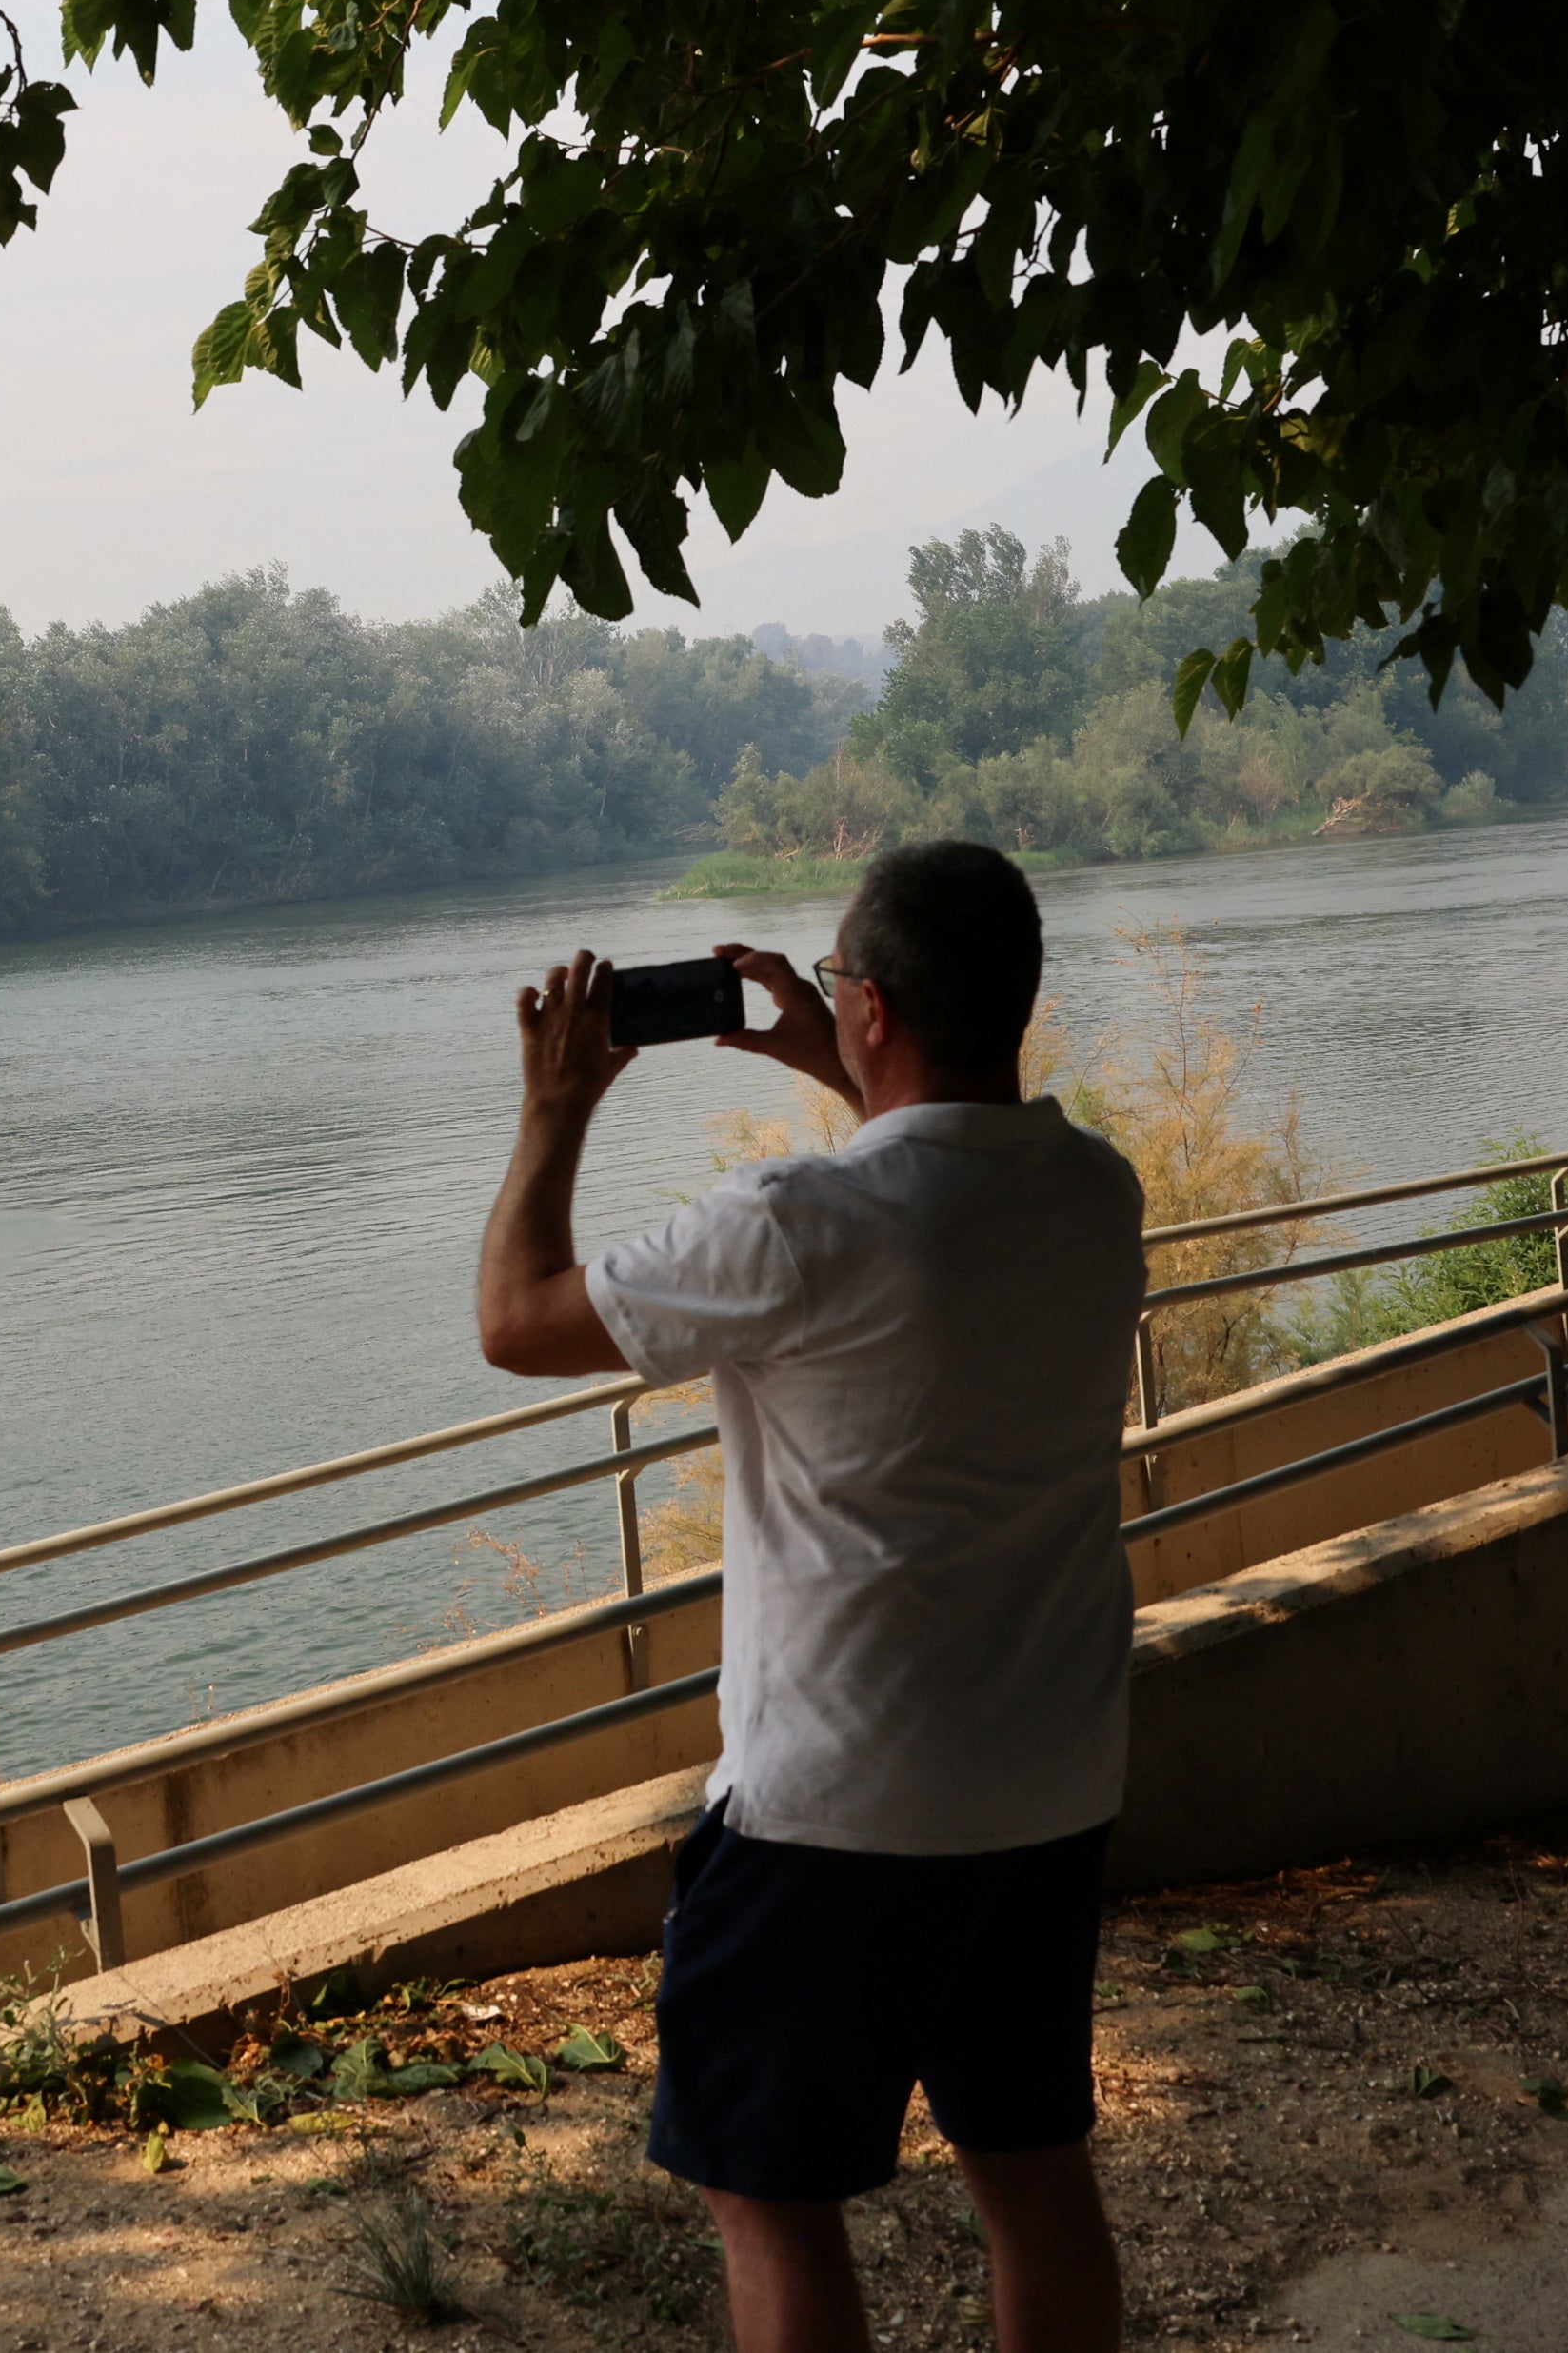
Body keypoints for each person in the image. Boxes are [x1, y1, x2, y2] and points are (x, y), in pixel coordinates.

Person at [474, 839, 1146, 2353]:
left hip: (835, 1811)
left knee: (771, 2200)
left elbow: (518, 1321)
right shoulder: (1095, 1190)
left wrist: (551, 1111)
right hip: (1047, 1784)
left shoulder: (792, 1222)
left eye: (847, 989)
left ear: (877, 1011)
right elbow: (938, 1166)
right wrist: (842, 1049)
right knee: (1033, 2173)